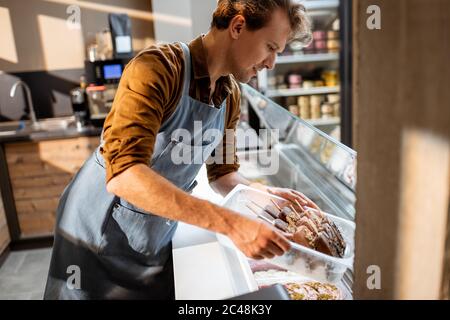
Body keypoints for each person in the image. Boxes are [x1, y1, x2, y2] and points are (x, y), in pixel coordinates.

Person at [44, 0, 313, 300]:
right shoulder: (157, 68)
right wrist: (231, 225)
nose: (271, 63)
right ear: (238, 27)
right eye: (270, 47)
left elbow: (223, 174)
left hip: (151, 233)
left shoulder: (230, 95)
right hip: (94, 233)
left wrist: (264, 197)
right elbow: (124, 173)